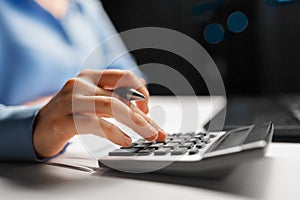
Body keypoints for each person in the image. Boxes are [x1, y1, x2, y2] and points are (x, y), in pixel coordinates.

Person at [0, 0, 166, 161]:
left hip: (96, 144)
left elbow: (128, 75)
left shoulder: (87, 5)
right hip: (24, 166)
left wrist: (112, 94)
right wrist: (35, 123)